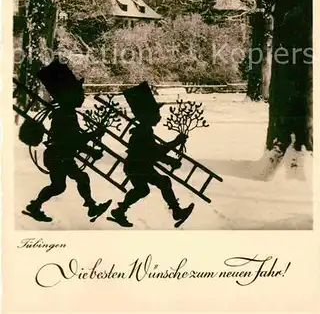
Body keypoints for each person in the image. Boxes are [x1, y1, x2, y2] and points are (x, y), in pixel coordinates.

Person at [24, 59, 110, 222]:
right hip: (59, 156)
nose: (82, 97)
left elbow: (73, 138)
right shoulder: (65, 114)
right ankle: (90, 207)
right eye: (79, 93)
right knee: (69, 182)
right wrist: (92, 145)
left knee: (62, 185)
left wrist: (92, 139)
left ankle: (36, 206)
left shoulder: (65, 112)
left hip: (59, 156)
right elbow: (73, 139)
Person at [110, 82, 193, 227]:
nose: (159, 116)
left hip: (138, 167)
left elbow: (153, 153)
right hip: (138, 168)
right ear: (148, 116)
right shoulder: (143, 132)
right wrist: (174, 143)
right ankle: (176, 212)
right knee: (156, 185)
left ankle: (120, 211)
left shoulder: (144, 130)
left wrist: (170, 159)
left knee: (144, 189)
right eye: (156, 113)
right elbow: (155, 152)